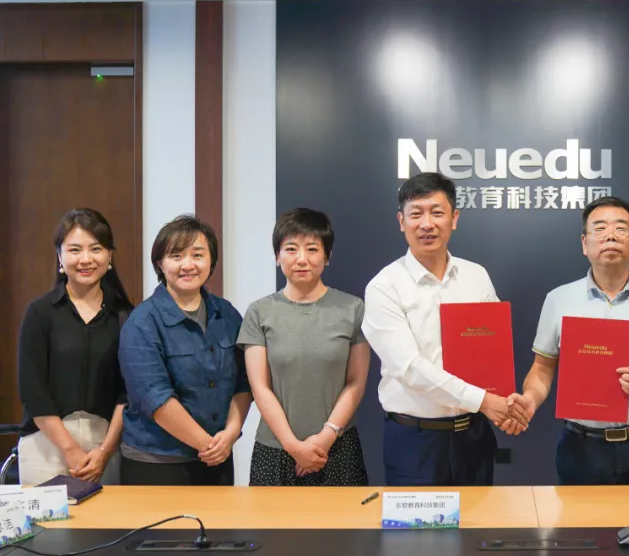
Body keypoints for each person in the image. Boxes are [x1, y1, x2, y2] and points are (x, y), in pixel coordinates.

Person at [509, 196, 629, 485]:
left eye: (621, 228)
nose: (611, 235)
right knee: (583, 517)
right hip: (583, 448)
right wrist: (530, 398)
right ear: (584, 243)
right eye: (600, 228)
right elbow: (542, 368)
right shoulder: (559, 299)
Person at [362, 173, 525, 486]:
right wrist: (486, 402)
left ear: (454, 218)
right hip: (415, 441)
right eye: (416, 214)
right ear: (401, 221)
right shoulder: (384, 287)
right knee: (416, 522)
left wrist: (504, 405)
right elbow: (409, 368)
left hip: (474, 435)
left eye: (437, 212)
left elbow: (493, 353)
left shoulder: (476, 276)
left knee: (480, 518)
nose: (427, 224)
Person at [238, 208, 371, 486]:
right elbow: (260, 387)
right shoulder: (259, 312)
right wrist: (293, 446)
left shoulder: (352, 309)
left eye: (312, 249)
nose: (301, 259)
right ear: (277, 256)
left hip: (337, 448)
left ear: (327, 256)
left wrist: (326, 437)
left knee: (342, 517)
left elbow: (356, 382)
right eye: (290, 249)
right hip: (276, 449)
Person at [118, 215, 252, 485]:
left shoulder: (226, 314)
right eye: (176, 256)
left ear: (211, 260)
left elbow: (243, 382)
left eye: (198, 255)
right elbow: (154, 398)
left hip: (217, 457)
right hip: (157, 461)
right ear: (160, 263)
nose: (188, 265)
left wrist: (230, 434)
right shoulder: (142, 322)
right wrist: (208, 445)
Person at [16, 208, 134, 485]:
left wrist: (104, 451)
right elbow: (33, 391)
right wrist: (70, 450)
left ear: (109, 256)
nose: (85, 259)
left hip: (106, 446)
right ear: (60, 256)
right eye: (74, 250)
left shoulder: (127, 316)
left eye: (96, 248)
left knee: (107, 516)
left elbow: (128, 392)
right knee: (49, 516)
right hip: (45, 445)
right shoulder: (40, 313)